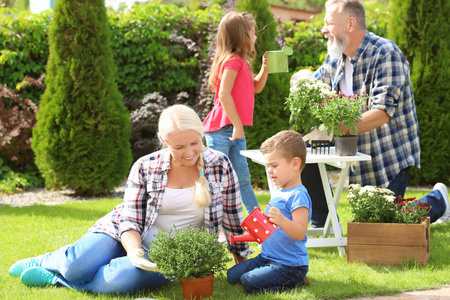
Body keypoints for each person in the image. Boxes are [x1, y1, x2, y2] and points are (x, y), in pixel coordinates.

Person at [8, 104, 251, 294]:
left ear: (202, 135)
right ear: (164, 141)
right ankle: (51, 261)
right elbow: (130, 220)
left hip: (171, 252)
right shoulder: (145, 167)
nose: (189, 153)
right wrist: (134, 252)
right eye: (179, 147)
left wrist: (241, 263)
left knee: (115, 282)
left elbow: (233, 218)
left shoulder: (219, 164)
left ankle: (55, 279)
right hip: (124, 233)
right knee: (76, 267)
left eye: (194, 143)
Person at [295, 0, 449, 225]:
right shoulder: (335, 57)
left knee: (382, 225)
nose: (323, 29)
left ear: (350, 24)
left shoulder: (386, 53)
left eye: (329, 23)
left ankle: (438, 200)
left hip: (387, 155)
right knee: (300, 149)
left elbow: (381, 113)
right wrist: (302, 80)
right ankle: (324, 220)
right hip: (356, 153)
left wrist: (339, 127)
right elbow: (314, 84)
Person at [227, 130, 311, 292]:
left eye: (274, 166)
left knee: (248, 281)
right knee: (232, 276)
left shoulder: (298, 195)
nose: (270, 171)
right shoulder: (279, 191)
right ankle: (272, 275)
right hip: (267, 257)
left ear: (295, 163)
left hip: (289, 264)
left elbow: (300, 233)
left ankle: (297, 280)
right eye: (268, 166)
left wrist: (281, 220)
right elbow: (270, 231)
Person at [203, 11, 268, 215]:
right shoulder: (233, 62)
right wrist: (238, 125)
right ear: (242, 36)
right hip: (222, 130)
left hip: (234, 130)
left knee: (243, 179)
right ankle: (215, 227)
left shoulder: (242, 63)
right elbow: (224, 94)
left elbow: (256, 87)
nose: (256, 37)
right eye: (253, 33)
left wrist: (265, 68)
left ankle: (258, 222)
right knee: (218, 183)